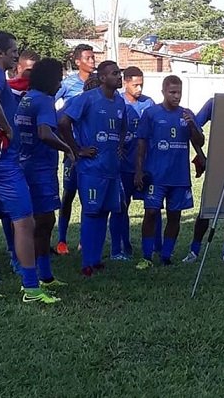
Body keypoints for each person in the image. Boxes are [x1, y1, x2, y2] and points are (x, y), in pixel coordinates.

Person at [0, 30, 59, 303]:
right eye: (14, 52)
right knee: (24, 222)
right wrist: (7, 128)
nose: (17, 56)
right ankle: (31, 288)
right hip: (2, 158)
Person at [59, 60, 125, 277]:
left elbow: (123, 128)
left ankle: (96, 259)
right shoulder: (87, 98)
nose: (119, 76)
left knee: (104, 212)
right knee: (91, 212)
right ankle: (87, 262)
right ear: (103, 78)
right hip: (91, 169)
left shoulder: (120, 102)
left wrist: (119, 145)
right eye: (114, 73)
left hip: (111, 169)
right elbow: (63, 122)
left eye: (119, 72)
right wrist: (77, 149)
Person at [135, 75, 204, 269]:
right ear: (163, 92)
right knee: (151, 212)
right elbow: (141, 144)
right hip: (155, 175)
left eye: (179, 92)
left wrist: (192, 125)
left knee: (175, 215)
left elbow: (199, 142)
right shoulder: (151, 113)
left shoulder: (187, 114)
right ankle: (147, 256)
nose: (176, 96)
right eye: (172, 92)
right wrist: (138, 170)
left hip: (179, 176)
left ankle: (166, 255)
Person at [16, 58, 75, 288]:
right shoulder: (44, 100)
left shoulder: (27, 97)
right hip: (40, 168)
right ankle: (39, 275)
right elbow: (44, 133)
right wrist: (68, 148)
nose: (60, 84)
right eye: (58, 79)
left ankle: (42, 274)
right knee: (44, 221)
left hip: (25, 164)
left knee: (36, 221)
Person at [182, 65, 224, 265]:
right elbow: (195, 128)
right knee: (206, 209)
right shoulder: (214, 103)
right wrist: (201, 156)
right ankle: (194, 251)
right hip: (217, 164)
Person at [109, 66, 155, 260]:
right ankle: (120, 247)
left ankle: (155, 247)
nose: (139, 89)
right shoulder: (117, 102)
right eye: (135, 85)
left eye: (141, 84)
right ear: (125, 83)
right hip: (123, 167)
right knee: (120, 207)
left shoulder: (148, 103)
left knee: (152, 208)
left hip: (145, 167)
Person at [55, 43, 96, 254]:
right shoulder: (68, 84)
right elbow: (53, 107)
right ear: (77, 61)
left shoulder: (97, 83)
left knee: (88, 196)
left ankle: (84, 240)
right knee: (69, 194)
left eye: (93, 57)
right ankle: (61, 240)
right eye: (88, 58)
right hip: (72, 149)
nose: (92, 61)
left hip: (92, 149)